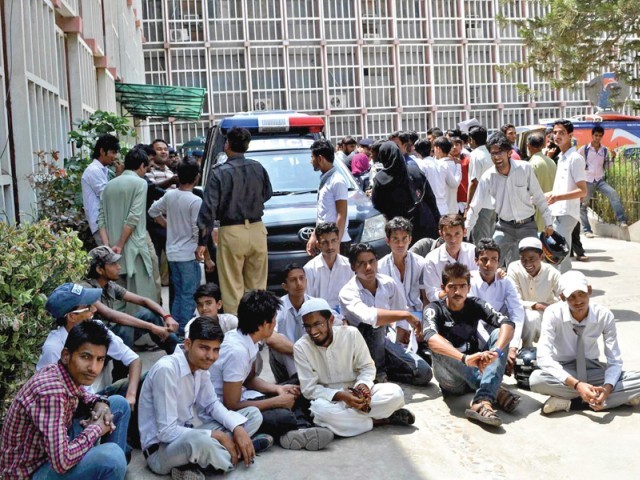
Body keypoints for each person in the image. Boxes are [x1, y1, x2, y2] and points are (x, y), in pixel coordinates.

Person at [139, 318, 271, 479]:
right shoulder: (166, 370)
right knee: (202, 441)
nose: (211, 356)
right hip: (160, 452)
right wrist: (219, 436)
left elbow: (212, 405)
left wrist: (237, 428)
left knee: (252, 415)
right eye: (204, 348)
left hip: (188, 435)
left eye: (216, 350)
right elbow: (166, 432)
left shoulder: (201, 368)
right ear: (188, 344)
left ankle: (202, 461)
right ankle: (240, 452)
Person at [0, 321, 129, 480]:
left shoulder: (62, 373)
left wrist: (100, 402)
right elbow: (62, 462)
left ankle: (111, 473)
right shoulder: (50, 392)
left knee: (118, 404)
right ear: (66, 355)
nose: (93, 368)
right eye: (85, 357)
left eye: (100, 359)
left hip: (48, 454)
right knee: (112, 457)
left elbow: (82, 394)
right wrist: (95, 429)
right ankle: (110, 469)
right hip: (32, 472)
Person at [211, 290, 334, 451]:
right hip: (230, 411)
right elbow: (231, 404)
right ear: (264, 324)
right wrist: (275, 402)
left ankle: (296, 430)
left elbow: (249, 380)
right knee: (284, 416)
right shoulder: (237, 351)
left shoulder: (249, 339)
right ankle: (295, 429)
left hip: (246, 395)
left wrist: (278, 389)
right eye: (274, 319)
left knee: (299, 384)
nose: (275, 323)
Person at [294, 298, 416, 437]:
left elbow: (367, 367)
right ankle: (381, 420)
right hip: (331, 400)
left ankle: (345, 424)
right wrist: (341, 396)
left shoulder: (351, 334)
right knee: (319, 411)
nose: (313, 331)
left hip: (359, 394)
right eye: (307, 326)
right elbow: (309, 389)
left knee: (395, 393)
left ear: (331, 320)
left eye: (318, 324)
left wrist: (363, 385)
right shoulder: (301, 348)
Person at [530, 271, 640, 414]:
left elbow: (614, 360)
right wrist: (577, 385)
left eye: (582, 294)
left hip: (592, 368)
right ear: (562, 297)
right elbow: (544, 357)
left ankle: (571, 403)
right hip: (565, 369)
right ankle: (617, 399)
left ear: (589, 290)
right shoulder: (552, 313)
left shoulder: (604, 315)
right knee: (537, 380)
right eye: (572, 296)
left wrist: (607, 388)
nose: (578, 301)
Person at [423, 262, 516, 427]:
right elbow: (430, 338)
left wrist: (496, 352)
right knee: (439, 343)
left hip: (478, 364)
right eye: (452, 287)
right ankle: (494, 389)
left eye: (462, 286)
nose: (457, 292)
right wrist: (465, 358)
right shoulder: (434, 308)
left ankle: (483, 400)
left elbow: (507, 323)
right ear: (443, 287)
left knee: (498, 334)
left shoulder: (475, 304)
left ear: (469, 287)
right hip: (452, 380)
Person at [197, 126, 273, 314]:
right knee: (257, 289)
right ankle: (259, 334)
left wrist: (202, 242)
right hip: (257, 229)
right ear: (247, 146)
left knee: (232, 290)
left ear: (227, 144)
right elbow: (267, 194)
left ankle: (237, 334)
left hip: (231, 232)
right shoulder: (258, 167)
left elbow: (208, 210)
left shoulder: (219, 172)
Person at [339, 243, 432, 385]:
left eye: (371, 262)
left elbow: (400, 307)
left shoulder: (388, 283)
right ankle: (377, 372)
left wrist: (401, 334)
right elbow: (371, 317)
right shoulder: (348, 292)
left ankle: (383, 372)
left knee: (424, 373)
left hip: (382, 341)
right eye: (362, 264)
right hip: (357, 346)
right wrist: (405, 316)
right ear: (353, 267)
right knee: (373, 325)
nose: (368, 268)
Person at [83, 246, 178, 380]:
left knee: (149, 315)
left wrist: (167, 317)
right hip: (94, 343)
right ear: (100, 269)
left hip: (109, 336)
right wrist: (151, 327)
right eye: (113, 264)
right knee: (125, 329)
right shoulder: (86, 289)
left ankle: (178, 355)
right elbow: (110, 315)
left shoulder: (108, 285)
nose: (119, 267)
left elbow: (144, 301)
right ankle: (120, 377)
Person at [36, 283, 141, 405]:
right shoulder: (54, 348)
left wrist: (131, 396)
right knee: (119, 404)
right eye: (89, 307)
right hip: (70, 408)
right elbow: (53, 398)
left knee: (142, 382)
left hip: (91, 398)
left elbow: (134, 359)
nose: (95, 309)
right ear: (72, 316)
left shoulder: (96, 328)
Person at [465, 133, 554, 267]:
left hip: (527, 227)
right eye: (493, 153)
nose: (496, 157)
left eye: (500, 152)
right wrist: (466, 229)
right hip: (504, 228)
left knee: (531, 265)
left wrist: (549, 223)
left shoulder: (525, 168)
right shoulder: (488, 177)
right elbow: (475, 206)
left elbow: (539, 197)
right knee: (490, 262)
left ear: (509, 152)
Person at [98, 146, 161, 307]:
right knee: (141, 298)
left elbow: (101, 219)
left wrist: (107, 246)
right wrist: (120, 244)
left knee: (117, 300)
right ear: (141, 165)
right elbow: (133, 217)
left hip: (112, 252)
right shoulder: (140, 183)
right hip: (135, 248)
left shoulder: (109, 185)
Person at [148, 158, 203, 334]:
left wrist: (167, 225)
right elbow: (197, 228)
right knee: (189, 296)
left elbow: (152, 211)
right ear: (197, 177)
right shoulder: (195, 200)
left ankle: (175, 330)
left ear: (178, 176)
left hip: (172, 253)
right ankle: (183, 333)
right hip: (188, 254)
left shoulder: (170, 195)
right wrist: (198, 247)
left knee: (178, 294)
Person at [469, 239, 524, 375]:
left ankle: (514, 357)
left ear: (499, 262)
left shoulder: (505, 282)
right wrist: (497, 349)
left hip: (496, 327)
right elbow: (474, 321)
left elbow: (517, 312)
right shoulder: (469, 281)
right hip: (475, 332)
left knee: (525, 315)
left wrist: (513, 346)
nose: (489, 264)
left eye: (494, 259)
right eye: (484, 259)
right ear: (476, 261)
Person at [546, 119, 588, 273]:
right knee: (558, 254)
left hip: (567, 213)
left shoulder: (575, 158)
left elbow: (582, 191)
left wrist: (557, 198)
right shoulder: (562, 157)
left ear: (570, 135)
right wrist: (537, 198)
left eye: (561, 133)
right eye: (555, 132)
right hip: (558, 212)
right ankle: (565, 289)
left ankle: (568, 289)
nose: (557, 136)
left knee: (559, 255)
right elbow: (557, 190)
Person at [506, 237, 561, 348]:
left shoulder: (552, 272)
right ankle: (527, 349)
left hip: (547, 313)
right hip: (523, 313)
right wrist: (537, 305)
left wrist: (552, 309)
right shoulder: (514, 268)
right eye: (523, 259)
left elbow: (564, 295)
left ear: (541, 257)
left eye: (532, 259)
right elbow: (513, 300)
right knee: (531, 317)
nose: (527, 263)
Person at [578, 125, 628, 237]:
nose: (598, 138)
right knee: (583, 206)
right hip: (587, 180)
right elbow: (576, 164)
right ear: (592, 135)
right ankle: (587, 230)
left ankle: (622, 221)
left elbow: (607, 166)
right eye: (596, 135)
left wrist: (613, 158)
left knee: (613, 193)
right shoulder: (584, 150)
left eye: (600, 136)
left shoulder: (604, 150)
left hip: (599, 180)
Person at [267, 264, 314, 383]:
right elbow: (269, 336)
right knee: (280, 339)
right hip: (286, 358)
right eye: (293, 280)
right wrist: (298, 352)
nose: (299, 283)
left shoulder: (315, 304)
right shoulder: (276, 306)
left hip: (312, 357)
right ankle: (298, 381)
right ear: (285, 286)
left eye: (301, 278)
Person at [305, 139, 350, 255]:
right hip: (326, 241)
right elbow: (323, 214)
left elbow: (342, 215)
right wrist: (314, 235)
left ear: (320, 158)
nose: (311, 161)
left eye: (312, 157)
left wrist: (336, 243)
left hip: (336, 243)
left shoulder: (337, 181)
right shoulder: (326, 180)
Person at [378, 217, 426, 320]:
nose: (400, 244)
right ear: (387, 241)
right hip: (392, 317)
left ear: (410, 239)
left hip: (417, 315)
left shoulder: (421, 263)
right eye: (395, 239)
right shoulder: (379, 267)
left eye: (404, 238)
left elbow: (426, 297)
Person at [423, 214, 477, 302]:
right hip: (445, 306)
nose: (453, 240)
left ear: (464, 232)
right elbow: (432, 295)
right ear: (441, 234)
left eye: (457, 234)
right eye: (448, 235)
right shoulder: (431, 259)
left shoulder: (473, 251)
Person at [303, 222, 353, 310]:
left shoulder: (349, 266)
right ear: (318, 245)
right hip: (320, 317)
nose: (330, 247)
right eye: (325, 242)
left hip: (346, 317)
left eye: (333, 241)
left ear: (338, 241)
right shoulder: (309, 269)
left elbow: (353, 297)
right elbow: (308, 301)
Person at [82, 134, 121, 246]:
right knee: (110, 259)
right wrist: (119, 176)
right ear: (102, 151)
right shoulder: (94, 171)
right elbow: (108, 196)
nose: (115, 157)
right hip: (101, 225)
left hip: (106, 223)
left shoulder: (104, 170)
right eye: (113, 152)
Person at [466, 125, 495, 242]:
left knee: (481, 241)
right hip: (492, 204)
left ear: (472, 140)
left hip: (480, 205)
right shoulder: (490, 154)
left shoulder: (475, 155)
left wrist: (468, 206)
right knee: (490, 239)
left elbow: (474, 182)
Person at [526, 133, 557, 232]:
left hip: (538, 215)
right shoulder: (551, 162)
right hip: (552, 212)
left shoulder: (531, 165)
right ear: (543, 145)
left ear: (529, 146)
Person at [431, 136, 461, 215]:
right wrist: (458, 166)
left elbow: (454, 184)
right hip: (453, 208)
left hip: (442, 210)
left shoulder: (438, 165)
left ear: (438, 149)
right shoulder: (455, 164)